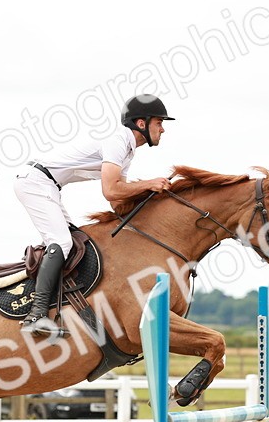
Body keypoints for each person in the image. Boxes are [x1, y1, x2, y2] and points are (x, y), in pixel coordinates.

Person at [13, 94, 175, 335]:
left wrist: (151, 204)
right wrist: (149, 184)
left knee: (75, 241)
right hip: (36, 182)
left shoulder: (128, 151)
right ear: (142, 123)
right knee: (62, 242)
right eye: (159, 123)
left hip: (47, 185)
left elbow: (117, 202)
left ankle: (61, 307)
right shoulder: (118, 141)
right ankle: (36, 315)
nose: (163, 129)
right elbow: (111, 190)